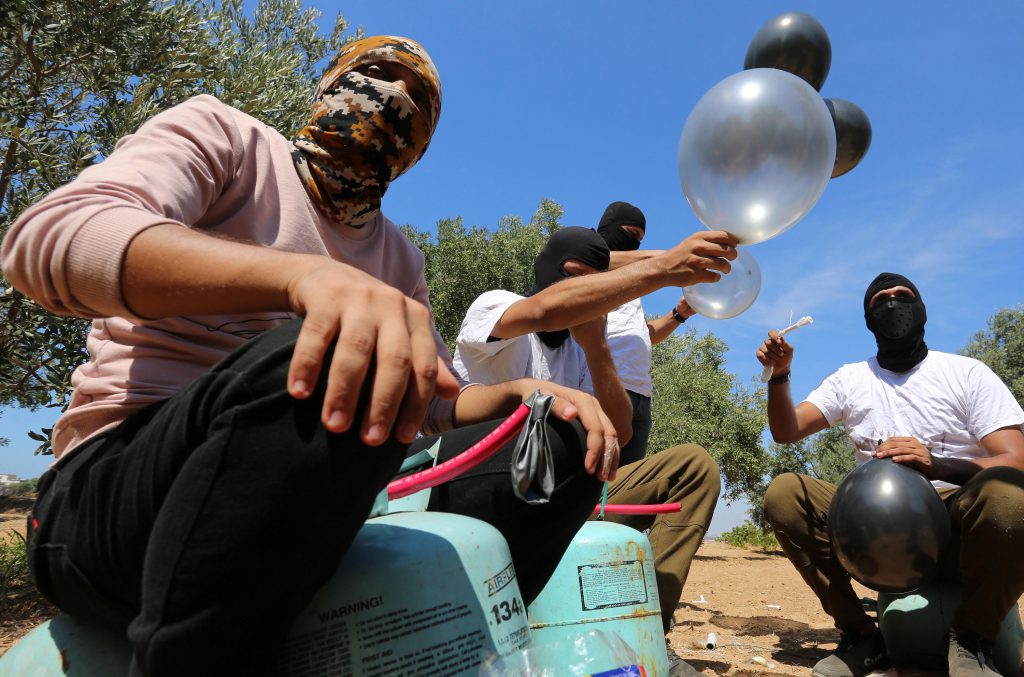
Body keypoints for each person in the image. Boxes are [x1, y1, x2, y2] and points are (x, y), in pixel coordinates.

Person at [1, 36, 621, 675]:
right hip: (111, 499)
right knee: (336, 346)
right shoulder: (228, 140)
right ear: (327, 84)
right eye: (374, 73)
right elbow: (49, 239)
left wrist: (523, 396)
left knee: (564, 442)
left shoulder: (399, 258)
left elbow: (434, 397)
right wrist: (301, 278)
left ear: (419, 150)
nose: (392, 97)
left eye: (416, 101)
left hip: (304, 520)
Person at [454, 226, 732, 644]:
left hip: (566, 494)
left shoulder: (580, 350)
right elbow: (544, 310)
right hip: (486, 487)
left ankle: (647, 631)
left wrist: (597, 349)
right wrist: (663, 268)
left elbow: (621, 429)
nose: (582, 293)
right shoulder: (496, 305)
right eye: (572, 277)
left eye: (593, 285)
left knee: (693, 467)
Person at [756, 272, 1024, 677]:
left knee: (1011, 496)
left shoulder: (967, 373)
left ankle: (973, 640)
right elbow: (786, 430)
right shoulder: (850, 379)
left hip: (959, 523)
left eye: (903, 296)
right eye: (880, 300)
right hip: (879, 532)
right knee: (786, 493)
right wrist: (779, 375)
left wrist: (938, 464)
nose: (893, 304)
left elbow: (1016, 460)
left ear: (922, 309)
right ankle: (861, 636)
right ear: (868, 320)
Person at [596, 201, 697, 463]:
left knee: (626, 483)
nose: (635, 244)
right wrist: (668, 260)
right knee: (594, 478)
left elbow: (644, 336)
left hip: (641, 396)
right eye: (631, 234)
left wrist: (678, 315)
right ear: (609, 228)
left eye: (640, 239)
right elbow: (599, 257)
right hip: (605, 388)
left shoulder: (629, 285)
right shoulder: (588, 266)